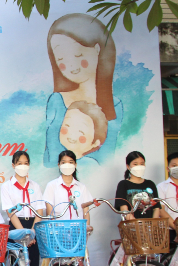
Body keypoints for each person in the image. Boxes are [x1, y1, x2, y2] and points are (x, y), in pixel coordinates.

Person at [44, 13, 123, 166]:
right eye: (61, 59)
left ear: (97, 49)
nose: (72, 66)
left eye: (78, 55)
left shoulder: (116, 105)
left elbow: (107, 159)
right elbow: (49, 159)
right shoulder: (56, 101)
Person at [0, 151, 44, 266]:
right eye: (19, 163)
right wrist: (23, 233)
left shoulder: (35, 186)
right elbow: (10, 212)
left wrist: (32, 231)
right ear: (13, 165)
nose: (23, 166)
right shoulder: (7, 186)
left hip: (34, 226)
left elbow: (40, 210)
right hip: (17, 226)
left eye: (26, 163)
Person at [43, 150, 93, 223]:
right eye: (63, 162)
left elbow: (86, 213)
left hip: (78, 229)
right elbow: (50, 213)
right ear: (59, 165)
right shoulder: (52, 186)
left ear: (75, 165)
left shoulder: (82, 187)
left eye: (70, 162)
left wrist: (86, 230)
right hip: (59, 229)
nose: (67, 165)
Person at [115, 151, 161, 220]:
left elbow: (156, 208)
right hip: (131, 227)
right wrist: (137, 225)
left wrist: (153, 224)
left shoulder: (150, 184)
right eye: (135, 164)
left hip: (150, 227)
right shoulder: (123, 184)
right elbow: (124, 209)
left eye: (142, 164)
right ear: (128, 166)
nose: (139, 167)